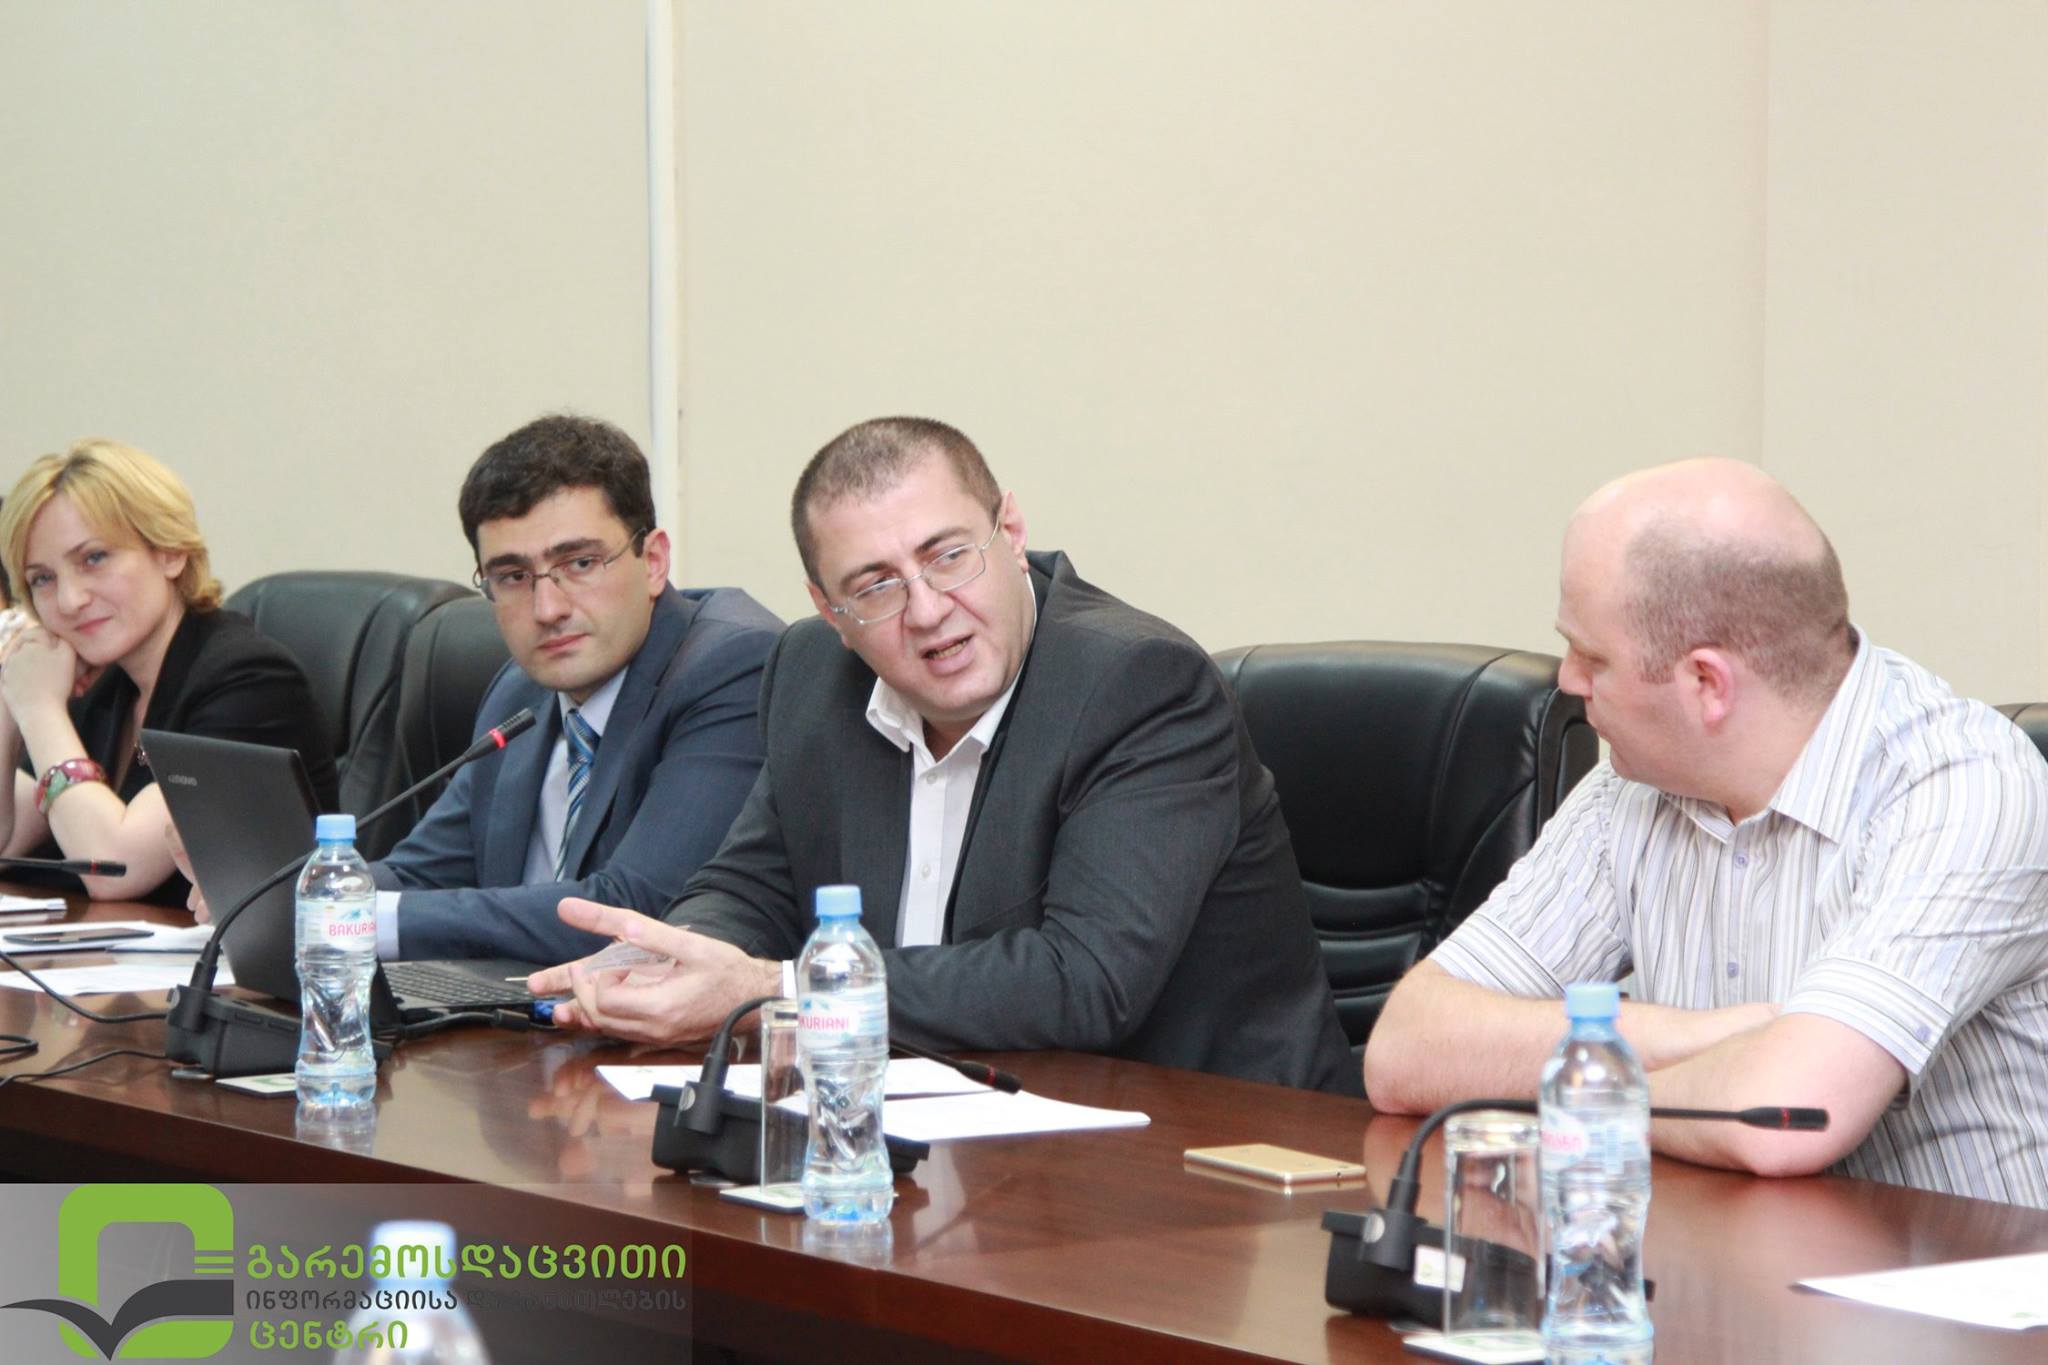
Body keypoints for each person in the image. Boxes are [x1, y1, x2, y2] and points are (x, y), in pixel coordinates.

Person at [529, 416, 1355, 1093]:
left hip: (1206, 1153)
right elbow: (751, 885)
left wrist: (769, 988)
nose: (927, 611)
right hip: (936, 1131)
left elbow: (1084, 980)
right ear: (829, 609)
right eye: (876, 585)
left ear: (1011, 533)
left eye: (948, 555)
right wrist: (673, 958)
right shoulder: (813, 674)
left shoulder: (1138, 685)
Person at [1362, 457, 2048, 1207]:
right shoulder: (1632, 787)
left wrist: (1580, 1089)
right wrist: (1709, 1035)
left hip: (1949, 1273)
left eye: (1593, 657)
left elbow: (1786, 1114)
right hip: (1716, 1255)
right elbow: (1405, 1049)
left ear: (1706, 683)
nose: (1566, 680)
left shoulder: (1965, 787)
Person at [363, 414, 782, 964]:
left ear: (654, 562)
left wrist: (357, 921)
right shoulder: (519, 693)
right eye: (513, 577)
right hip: (512, 1006)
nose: (547, 609)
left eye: (580, 563)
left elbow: (636, 912)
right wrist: (304, 895)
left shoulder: (732, 667)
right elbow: (419, 874)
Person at [0, 438, 338, 904]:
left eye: (94, 558)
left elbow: (112, 868)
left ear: (170, 552)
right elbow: (6, 843)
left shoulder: (251, 680)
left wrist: (39, 709)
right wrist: (10, 702)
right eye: (43, 578)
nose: (69, 600)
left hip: (254, 955)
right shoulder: (101, 686)